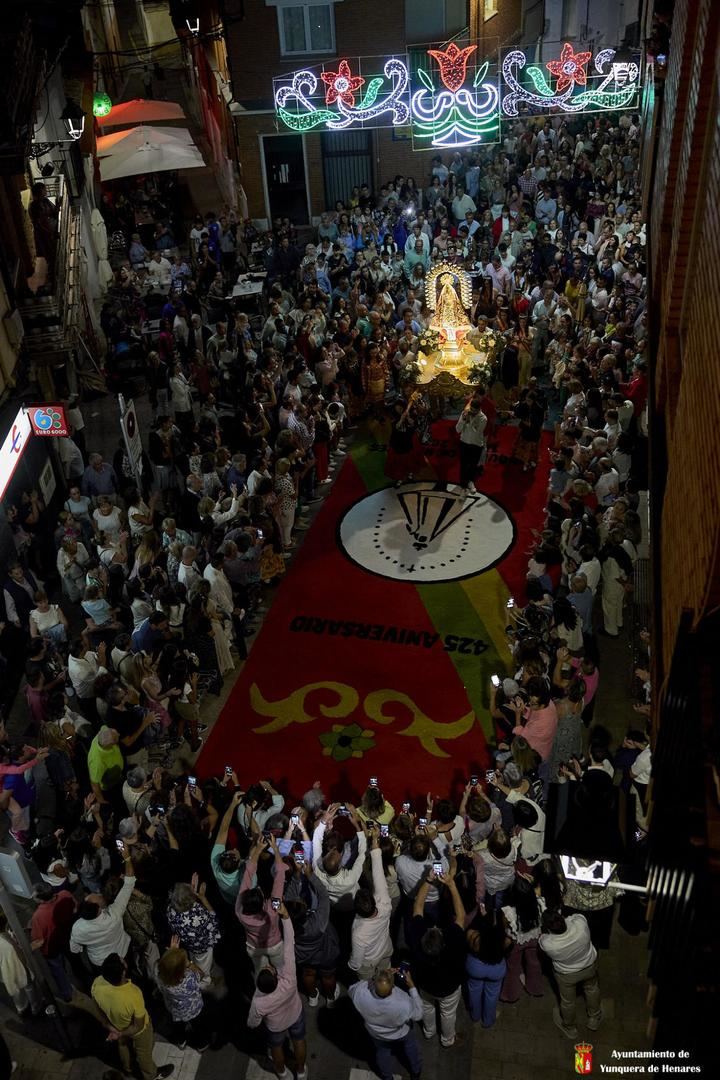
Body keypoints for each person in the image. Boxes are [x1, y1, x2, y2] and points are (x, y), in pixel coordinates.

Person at [408, 863, 466, 1048]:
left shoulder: (418, 937)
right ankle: (447, 1038)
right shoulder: (453, 940)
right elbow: (461, 917)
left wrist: (427, 881)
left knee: (427, 1007)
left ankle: (429, 1030)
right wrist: (451, 885)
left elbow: (417, 907)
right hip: (448, 987)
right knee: (448, 1013)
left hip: (425, 985)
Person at [91, 952, 174, 1080]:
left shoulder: (97, 983)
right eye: (122, 960)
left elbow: (98, 1007)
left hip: (116, 1024)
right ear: (123, 973)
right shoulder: (133, 994)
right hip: (138, 1031)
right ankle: (151, 1074)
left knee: (123, 1045)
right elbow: (138, 1026)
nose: (123, 959)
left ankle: (128, 1069)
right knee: (143, 1053)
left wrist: (109, 1026)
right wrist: (120, 1033)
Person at [247, 908, 308, 1080]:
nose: (268, 966)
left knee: (276, 1048)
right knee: (299, 1041)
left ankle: (282, 1073)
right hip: (296, 1014)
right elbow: (289, 943)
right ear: (275, 976)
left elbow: (252, 1022)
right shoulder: (288, 976)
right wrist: (286, 917)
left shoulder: (259, 1001)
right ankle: (301, 1071)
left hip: (275, 1026)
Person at [349, 967, 423, 1080]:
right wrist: (412, 987)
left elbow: (351, 990)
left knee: (382, 1054)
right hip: (400, 1032)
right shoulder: (402, 1003)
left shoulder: (360, 992)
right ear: (392, 987)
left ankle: (387, 1077)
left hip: (377, 1034)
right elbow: (418, 1015)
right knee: (411, 1045)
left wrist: (377, 978)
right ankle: (416, 1071)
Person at [539, 908, 603, 1038]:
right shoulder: (580, 926)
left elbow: (541, 939)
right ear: (561, 917)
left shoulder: (548, 944)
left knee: (568, 1002)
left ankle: (570, 1028)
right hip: (589, 966)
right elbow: (577, 916)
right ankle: (594, 1018)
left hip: (566, 975)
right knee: (592, 989)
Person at [348, 824, 393, 979]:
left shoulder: (359, 933)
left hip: (370, 961)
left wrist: (350, 965)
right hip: (386, 948)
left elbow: (356, 961)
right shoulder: (385, 903)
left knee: (368, 987)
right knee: (386, 976)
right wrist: (375, 840)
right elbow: (378, 871)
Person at [455, 397, 487, 494]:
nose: (472, 412)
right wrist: (463, 420)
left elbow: (476, 433)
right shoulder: (465, 414)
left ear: (479, 409)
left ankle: (471, 482)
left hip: (476, 444)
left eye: (474, 410)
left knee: (473, 465)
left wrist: (470, 421)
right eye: (471, 409)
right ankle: (463, 485)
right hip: (464, 442)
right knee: (464, 465)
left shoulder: (483, 418)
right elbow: (457, 429)